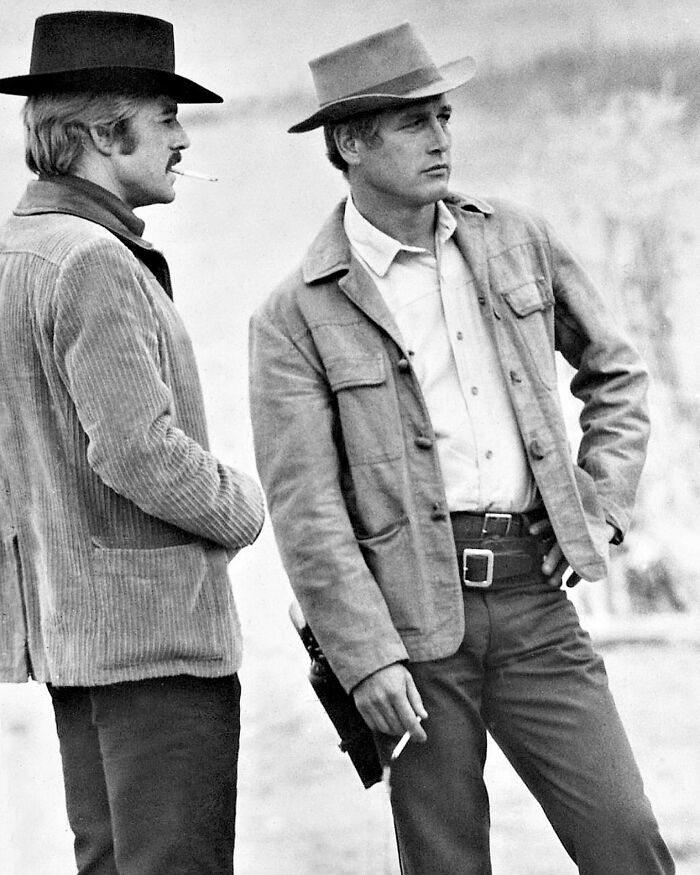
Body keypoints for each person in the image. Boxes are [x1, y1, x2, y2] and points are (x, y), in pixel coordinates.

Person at [249, 22, 675, 875]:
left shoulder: (514, 236)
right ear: (349, 143)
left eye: (444, 117)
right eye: (414, 123)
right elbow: (307, 509)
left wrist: (602, 506)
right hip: (410, 623)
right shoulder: (294, 313)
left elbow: (616, 372)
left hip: (534, 602)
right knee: (445, 863)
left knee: (625, 840)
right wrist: (366, 653)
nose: (442, 138)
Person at [0, 11, 264, 875]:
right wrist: (242, 505)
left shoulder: (18, 249)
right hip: (153, 643)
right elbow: (138, 450)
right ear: (105, 134)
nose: (184, 137)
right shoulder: (90, 260)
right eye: (165, 117)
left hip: (75, 636)